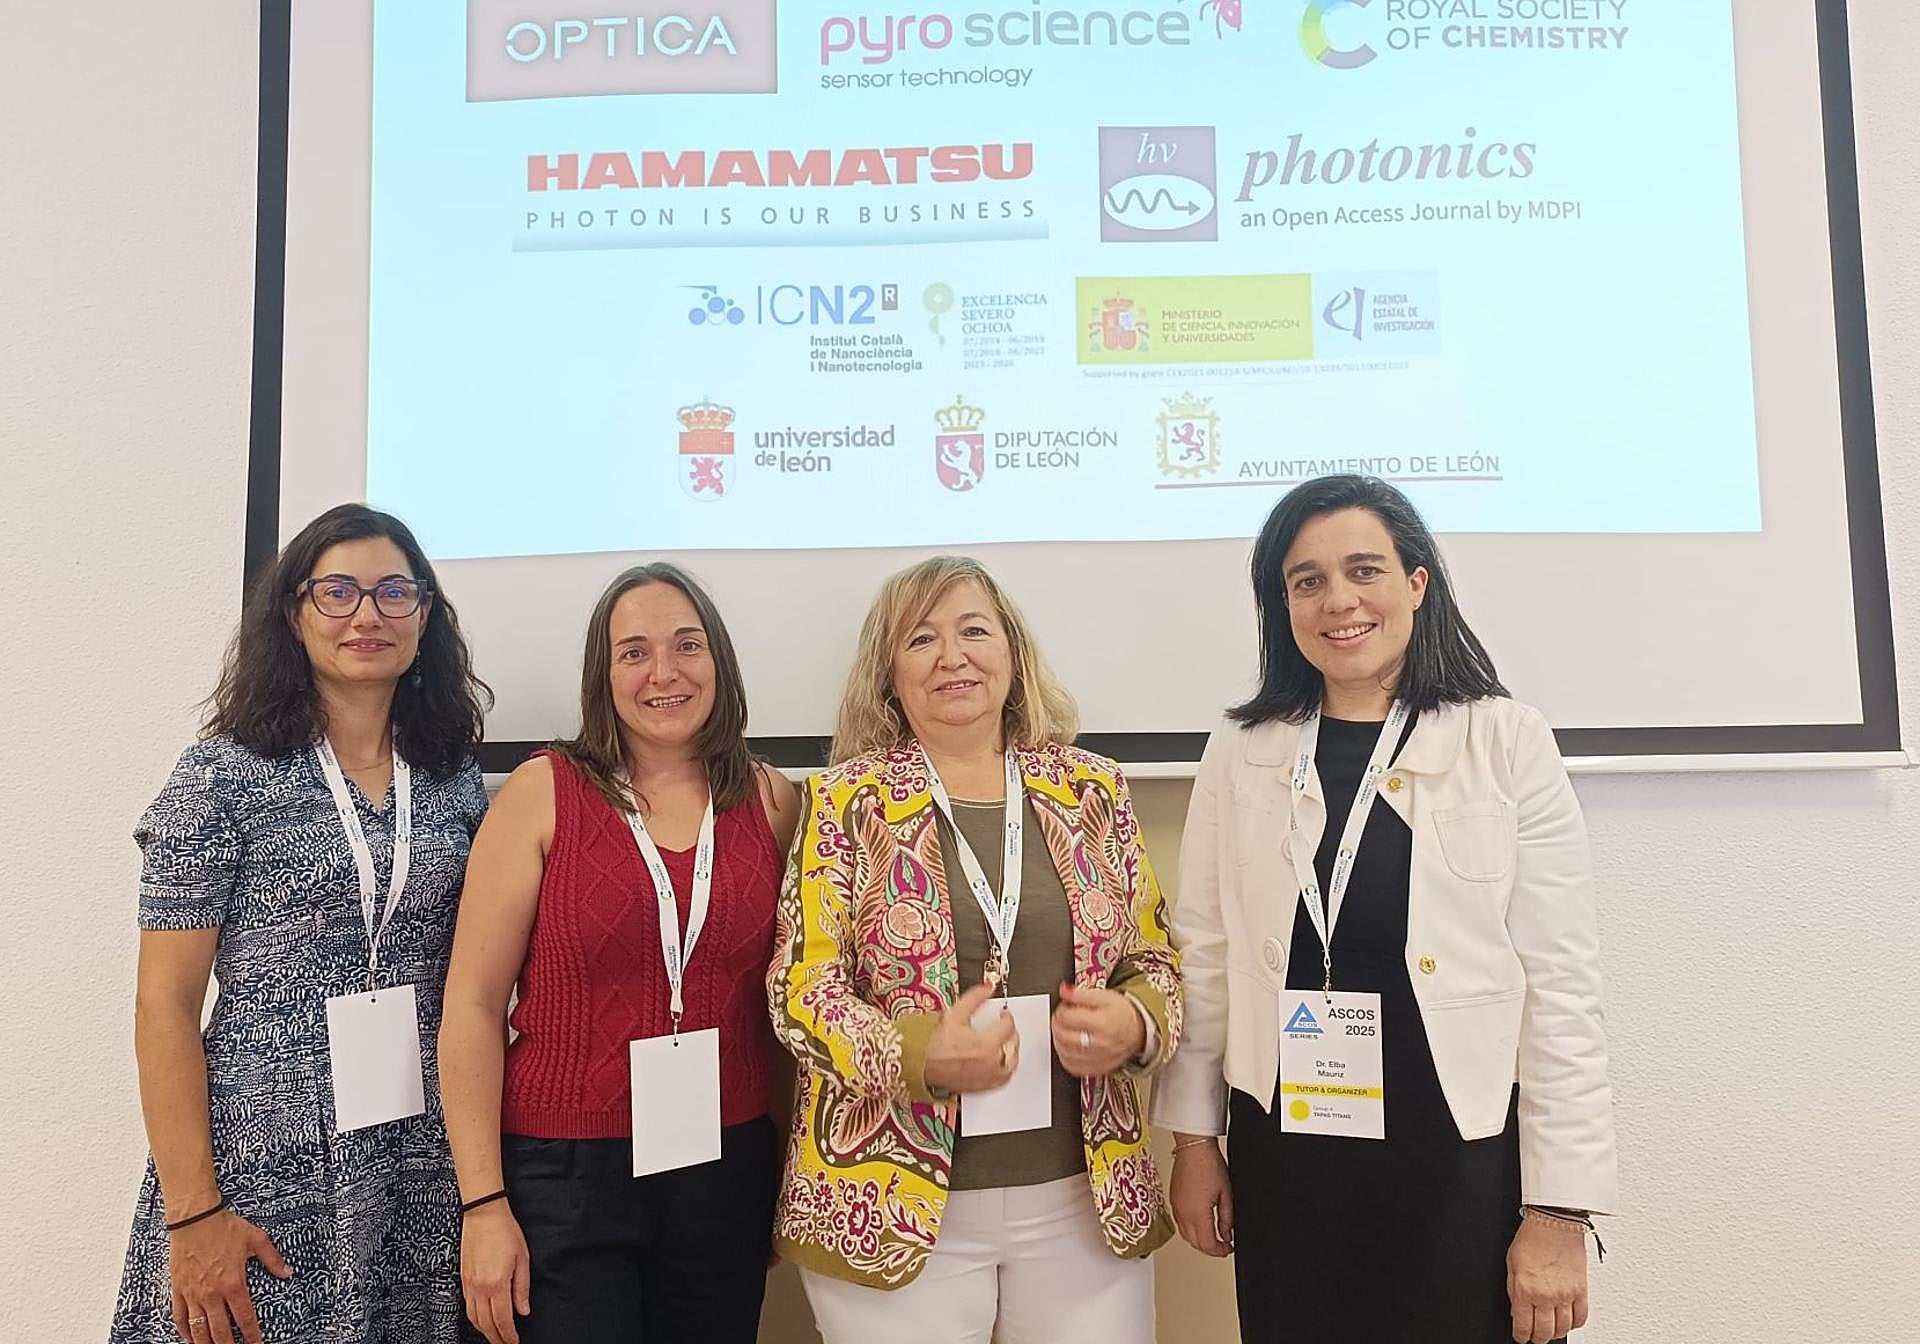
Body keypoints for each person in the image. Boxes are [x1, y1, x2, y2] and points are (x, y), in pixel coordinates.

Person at [1153, 475, 1618, 1344]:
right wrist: (1193, 1142)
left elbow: (1561, 988)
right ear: (1282, 604)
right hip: (1288, 1152)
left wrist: (1559, 1209)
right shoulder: (1242, 748)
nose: (1338, 600)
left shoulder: (1504, 739)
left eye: (1364, 570)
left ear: (1416, 583)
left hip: (1460, 1150)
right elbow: (1205, 955)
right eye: (1308, 581)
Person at [768, 556, 1182, 1344]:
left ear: (1012, 654)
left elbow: (1153, 960)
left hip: (1082, 1204)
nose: (952, 656)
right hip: (889, 1203)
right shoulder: (845, 801)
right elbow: (801, 991)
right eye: (921, 639)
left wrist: (1136, 1023)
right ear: (889, 674)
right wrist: (914, 1052)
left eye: (973, 631)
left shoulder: (1093, 789)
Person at [111, 504, 492, 1344]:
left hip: (418, 1162)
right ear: (294, 611)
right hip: (261, 1168)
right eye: (338, 592)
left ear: (425, 614)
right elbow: (163, 1007)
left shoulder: (455, 780)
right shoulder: (220, 778)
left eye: (395, 592)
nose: (368, 615)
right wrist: (193, 1214)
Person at [440, 563, 799, 1344]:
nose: (663, 672)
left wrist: (776, 1174)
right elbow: (471, 1005)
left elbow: (779, 1015)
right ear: (603, 677)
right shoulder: (543, 793)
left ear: (719, 660)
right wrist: (483, 1204)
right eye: (634, 652)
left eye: (687, 645)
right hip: (563, 1175)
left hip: (725, 1166)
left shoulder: (773, 801)